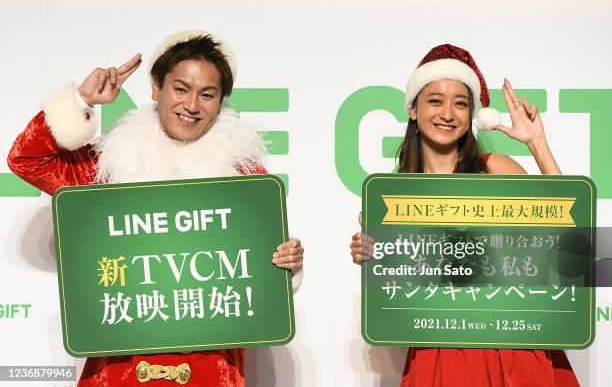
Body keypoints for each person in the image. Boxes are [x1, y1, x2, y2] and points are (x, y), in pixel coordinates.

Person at [8, 30, 304, 387]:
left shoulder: (244, 176)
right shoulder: (110, 165)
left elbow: (258, 280)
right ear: (155, 88)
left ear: (221, 101)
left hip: (210, 371)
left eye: (207, 94)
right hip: (119, 372)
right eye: (180, 89)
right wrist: (81, 100)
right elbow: (28, 159)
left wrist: (287, 264)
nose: (192, 105)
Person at [349, 44, 579, 386]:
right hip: (439, 347)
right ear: (413, 109)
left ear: (472, 114)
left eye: (460, 103)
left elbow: (570, 231)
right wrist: (370, 255)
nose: (448, 113)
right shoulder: (392, 194)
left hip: (512, 341)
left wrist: (537, 143)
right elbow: (396, 294)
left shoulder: (495, 169)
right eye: (435, 100)